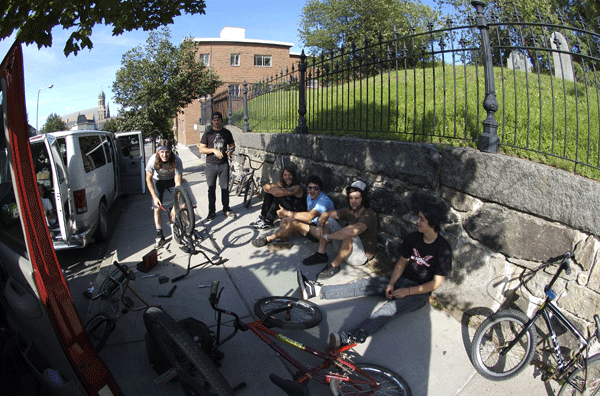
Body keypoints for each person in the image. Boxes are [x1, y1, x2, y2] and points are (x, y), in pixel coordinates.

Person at [297, 191, 452, 346]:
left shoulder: (443, 249)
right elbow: (401, 263)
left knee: (388, 309)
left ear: (432, 224)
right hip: (401, 280)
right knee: (364, 284)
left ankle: (351, 337)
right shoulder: (413, 238)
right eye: (418, 218)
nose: (417, 221)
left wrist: (408, 291)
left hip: (419, 293)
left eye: (422, 220)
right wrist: (391, 283)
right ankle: (317, 291)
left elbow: (435, 284)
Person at [303, 180, 378, 280]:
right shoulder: (349, 210)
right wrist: (320, 226)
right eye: (351, 198)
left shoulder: (368, 214)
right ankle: (321, 254)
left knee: (350, 232)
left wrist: (327, 236)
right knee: (328, 220)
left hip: (359, 257)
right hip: (346, 248)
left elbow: (351, 231)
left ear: (363, 199)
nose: (353, 201)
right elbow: (325, 214)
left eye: (357, 198)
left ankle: (334, 265)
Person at [251, 175, 334, 251]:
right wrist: (300, 225)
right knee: (285, 220)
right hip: (313, 226)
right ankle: (283, 241)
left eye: (315, 188)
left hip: (323, 232)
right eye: (310, 188)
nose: (312, 191)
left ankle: (268, 239)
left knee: (294, 222)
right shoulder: (309, 197)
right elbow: (308, 217)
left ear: (320, 189)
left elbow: (309, 216)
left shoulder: (324, 200)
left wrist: (289, 214)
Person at [145, 139, 184, 248]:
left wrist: (176, 205)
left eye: (167, 152)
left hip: (172, 181)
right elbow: (148, 179)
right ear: (158, 152)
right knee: (157, 208)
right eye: (162, 152)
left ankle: (189, 229)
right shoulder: (152, 160)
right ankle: (159, 235)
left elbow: (178, 183)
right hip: (158, 182)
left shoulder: (177, 160)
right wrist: (154, 197)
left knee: (182, 204)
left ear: (171, 152)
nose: (164, 155)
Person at [198, 111, 236, 220]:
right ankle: (211, 211)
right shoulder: (208, 133)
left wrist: (230, 150)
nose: (216, 122)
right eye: (214, 120)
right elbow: (201, 149)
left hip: (223, 164)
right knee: (211, 189)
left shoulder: (227, 133)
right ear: (212, 122)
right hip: (211, 165)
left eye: (218, 120)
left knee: (225, 188)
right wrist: (213, 150)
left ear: (221, 120)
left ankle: (226, 209)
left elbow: (232, 145)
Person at [250, 165, 305, 229]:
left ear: (293, 176)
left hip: (295, 212)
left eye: (289, 175)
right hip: (287, 208)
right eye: (285, 175)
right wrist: (272, 189)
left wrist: (273, 189)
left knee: (279, 197)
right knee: (269, 194)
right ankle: (263, 216)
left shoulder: (296, 187)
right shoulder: (282, 183)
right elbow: (265, 187)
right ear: (282, 176)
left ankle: (268, 221)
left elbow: (277, 193)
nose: (287, 177)